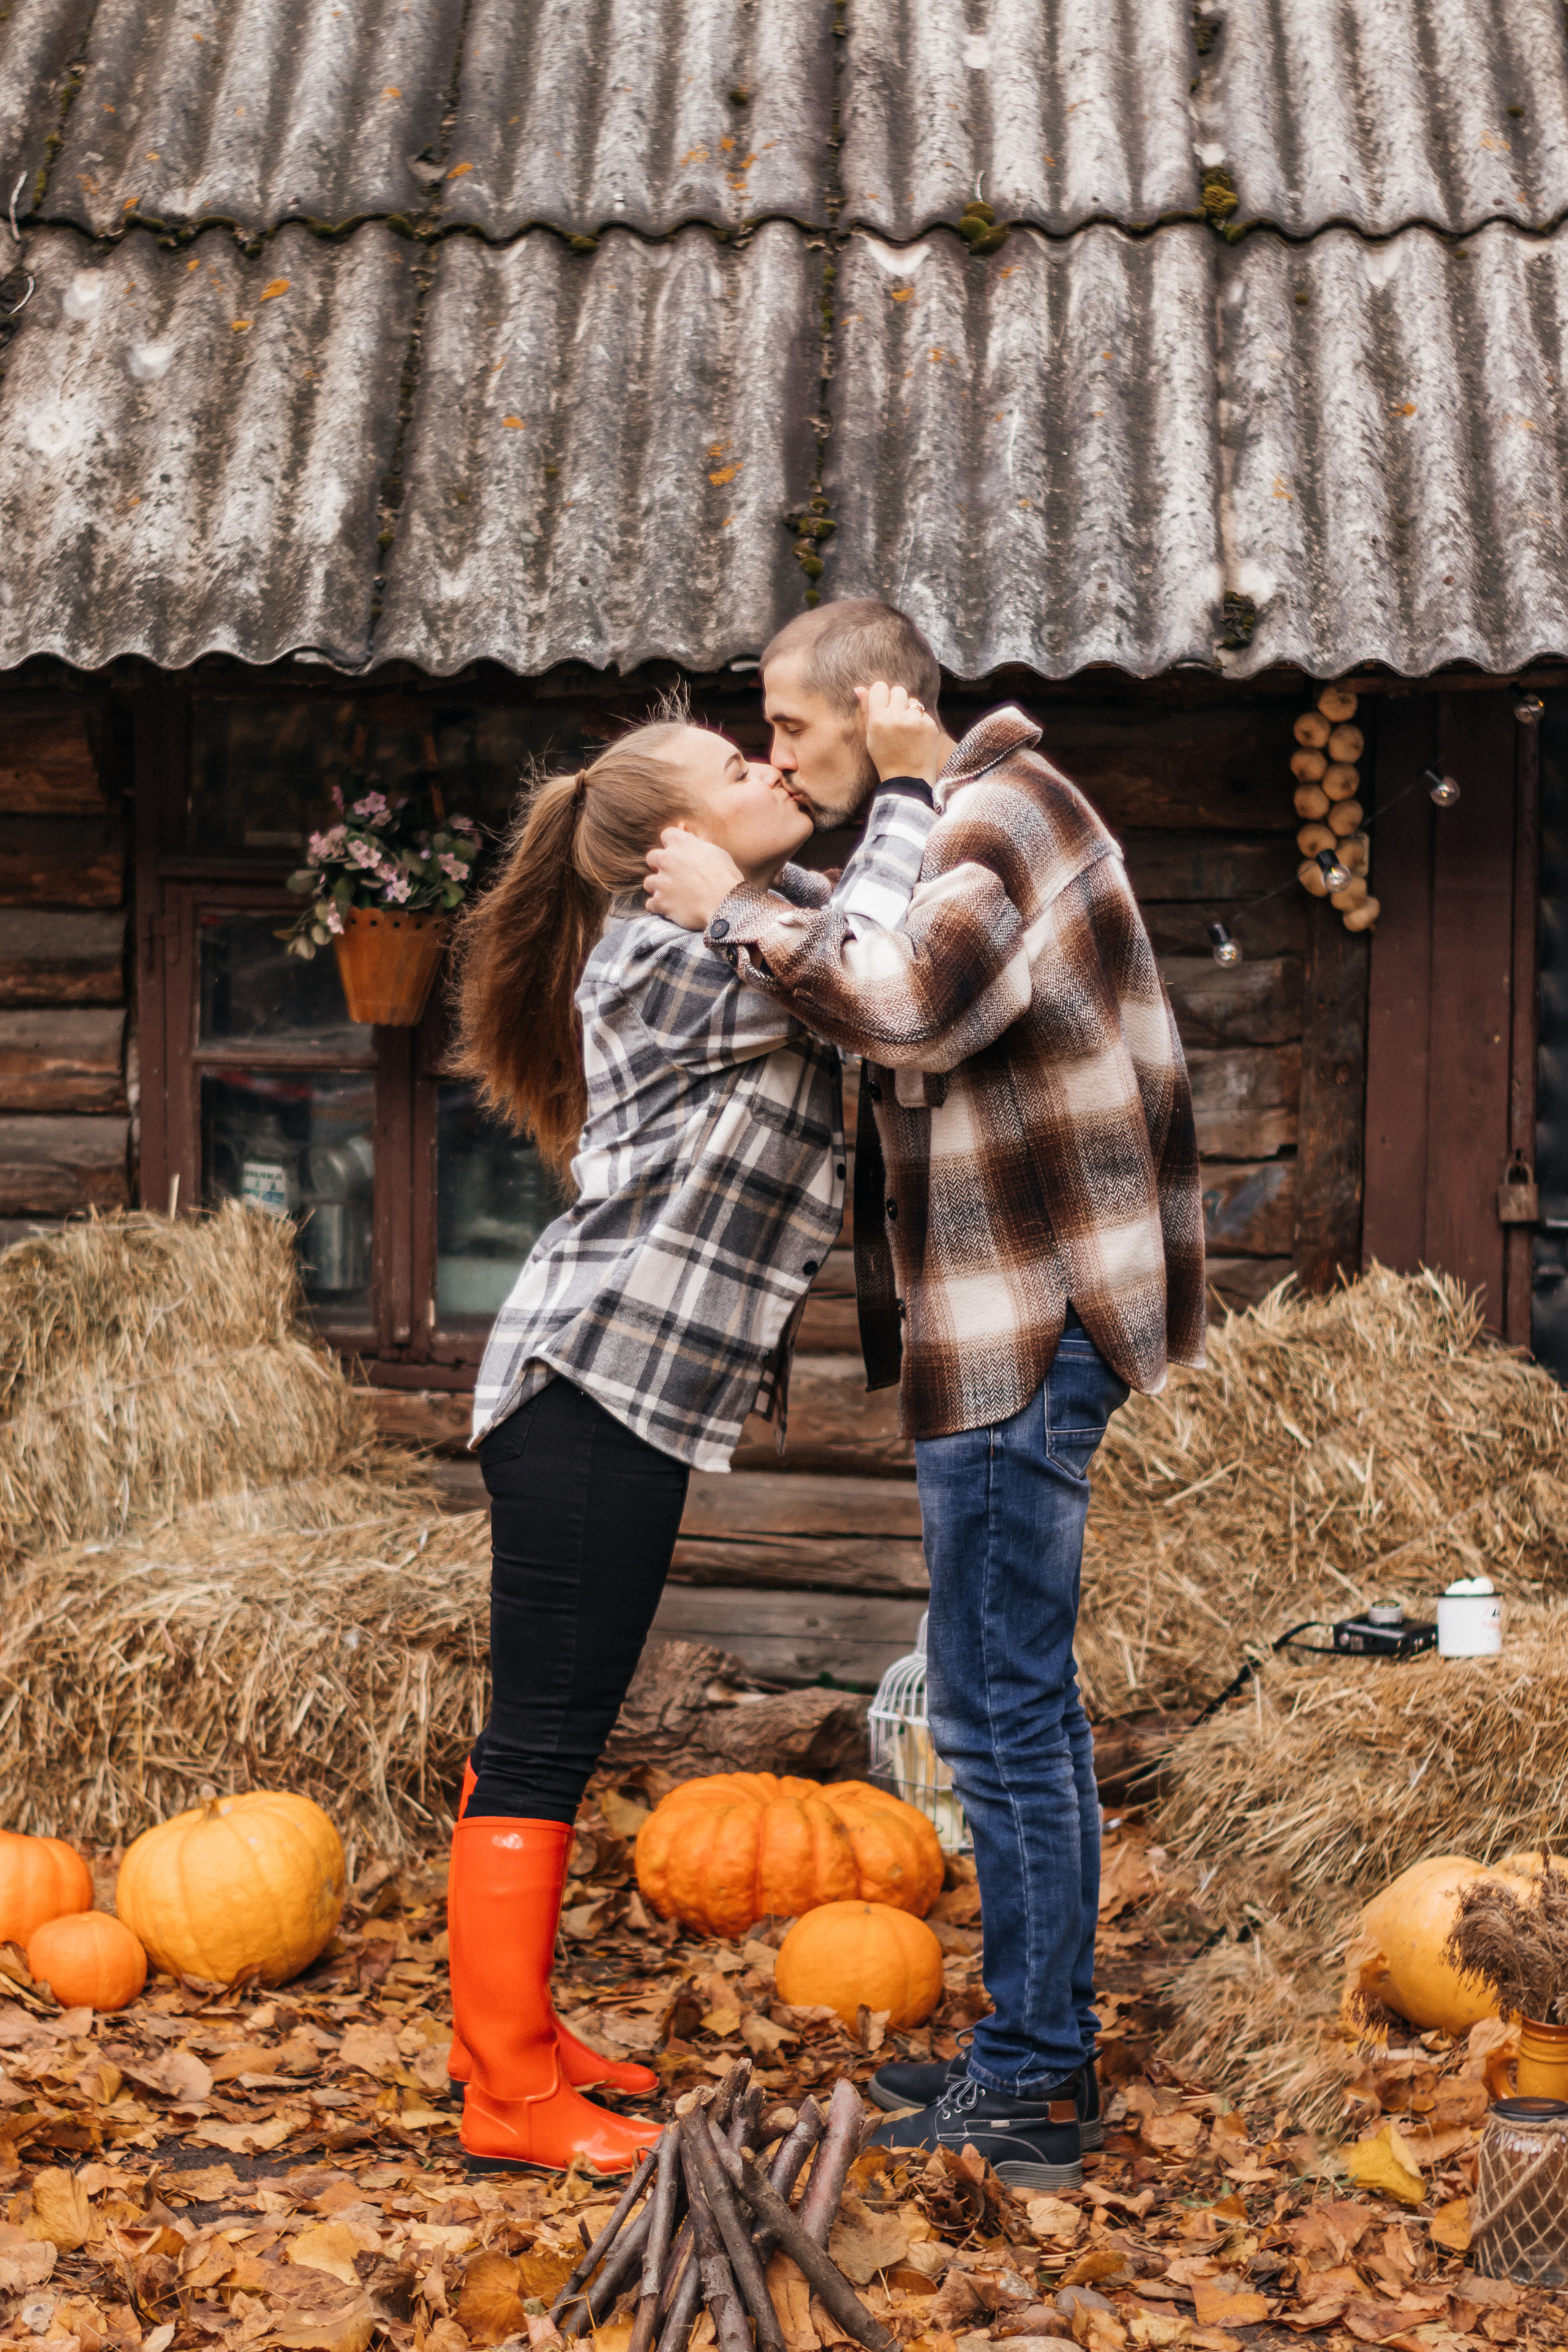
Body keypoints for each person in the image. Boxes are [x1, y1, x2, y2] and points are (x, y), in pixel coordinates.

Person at [644, 601, 1207, 2192]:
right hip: (1006, 1319)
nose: (775, 753)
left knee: (1007, 1704)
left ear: (879, 705)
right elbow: (888, 948)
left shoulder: (1001, 813)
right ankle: (1021, 2052)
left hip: (1030, 1318)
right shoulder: (967, 825)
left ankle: (1037, 2079)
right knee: (988, 1697)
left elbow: (904, 1003)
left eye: (793, 726)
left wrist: (739, 913)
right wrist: (774, 895)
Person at [442, 698, 940, 2176]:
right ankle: (505, 2095)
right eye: (740, 768)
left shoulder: (724, 935)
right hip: (586, 1390)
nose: (774, 769)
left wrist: (771, 880)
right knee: (541, 1739)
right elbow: (867, 947)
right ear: (672, 842)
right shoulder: (666, 958)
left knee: (550, 1734)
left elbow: (821, 937)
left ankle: (511, 2047)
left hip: (607, 1399)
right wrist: (909, 782)